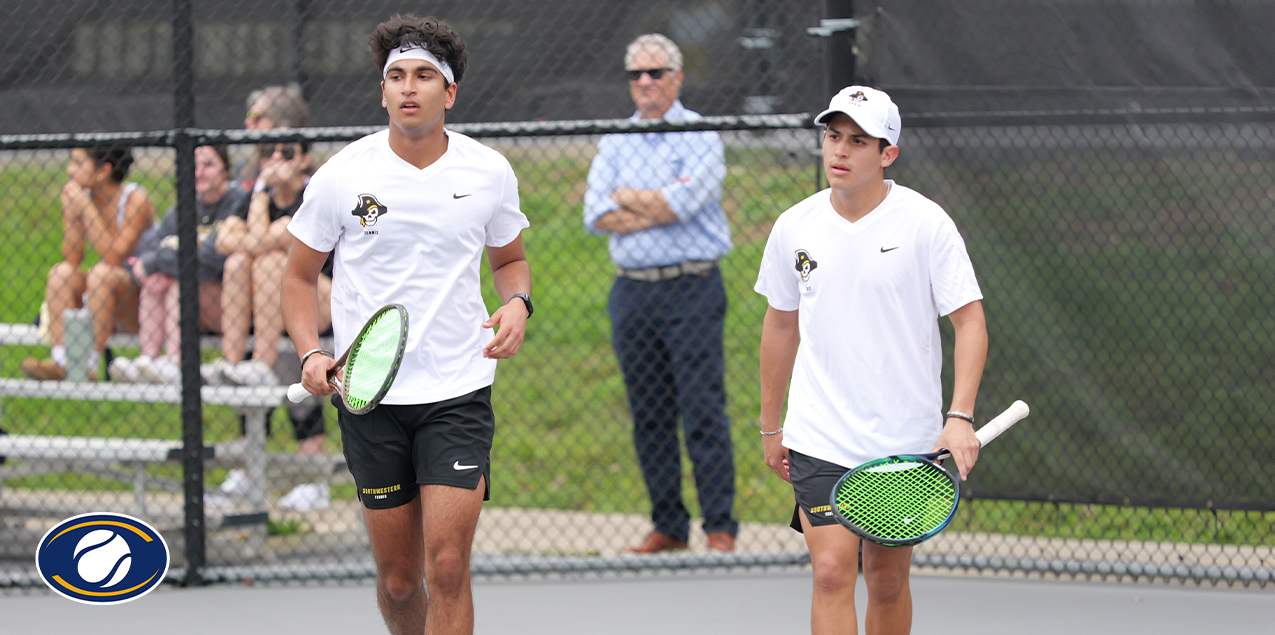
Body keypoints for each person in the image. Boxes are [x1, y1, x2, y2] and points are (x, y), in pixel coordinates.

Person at [283, 15, 531, 634]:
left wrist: (518, 304)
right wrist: (311, 355)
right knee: (399, 582)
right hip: (369, 397)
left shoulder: (489, 171)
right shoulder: (342, 174)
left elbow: (511, 260)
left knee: (447, 565)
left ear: (450, 93)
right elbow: (296, 276)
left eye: (424, 75)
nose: (408, 87)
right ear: (383, 90)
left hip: (458, 392)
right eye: (396, 76)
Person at [754, 86, 989, 634]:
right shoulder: (795, 226)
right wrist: (771, 426)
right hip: (820, 436)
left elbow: (970, 321)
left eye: (859, 141)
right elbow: (780, 324)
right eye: (833, 136)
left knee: (885, 581)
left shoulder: (927, 224)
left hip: (902, 441)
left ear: (888, 155)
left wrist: (959, 417)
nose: (840, 150)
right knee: (832, 575)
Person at [582, 33, 738, 553]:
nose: (645, 82)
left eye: (656, 72)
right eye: (636, 74)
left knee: (703, 411)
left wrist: (631, 200)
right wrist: (660, 202)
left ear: (677, 77)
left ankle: (720, 526)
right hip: (633, 295)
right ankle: (669, 526)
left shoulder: (700, 134)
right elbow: (596, 214)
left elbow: (690, 202)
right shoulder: (615, 140)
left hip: (692, 288)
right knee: (649, 415)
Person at [213, 139, 335, 512]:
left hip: (320, 299)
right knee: (238, 264)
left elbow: (267, 238)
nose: (276, 161)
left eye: (286, 154)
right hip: (275, 309)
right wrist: (262, 195)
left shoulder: (313, 194)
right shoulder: (253, 195)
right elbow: (224, 241)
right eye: (268, 154)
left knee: (266, 262)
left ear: (304, 160)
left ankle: (259, 366)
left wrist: (257, 227)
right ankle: (236, 364)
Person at [109, 145, 248, 384]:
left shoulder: (238, 202)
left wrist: (161, 262)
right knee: (160, 281)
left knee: (178, 282)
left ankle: (176, 361)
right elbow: (145, 255)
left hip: (229, 304)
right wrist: (158, 265)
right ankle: (149, 360)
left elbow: (214, 261)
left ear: (226, 170)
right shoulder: (183, 207)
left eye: (209, 165)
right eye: (193, 166)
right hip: (192, 303)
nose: (199, 173)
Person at [22, 146, 154, 381]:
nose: (69, 170)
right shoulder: (87, 197)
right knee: (62, 273)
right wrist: (71, 215)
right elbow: (72, 257)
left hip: (142, 302)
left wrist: (85, 208)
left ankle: (88, 366)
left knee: (101, 274)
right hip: (102, 299)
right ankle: (61, 361)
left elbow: (115, 257)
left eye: (77, 163)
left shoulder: (136, 198)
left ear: (103, 171)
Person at [237, 86, 311, 189]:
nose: (249, 122)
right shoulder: (243, 168)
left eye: (256, 116)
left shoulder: (302, 167)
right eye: (249, 115)